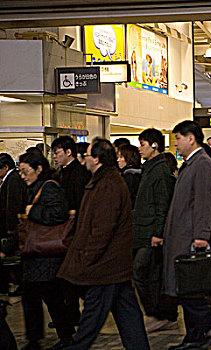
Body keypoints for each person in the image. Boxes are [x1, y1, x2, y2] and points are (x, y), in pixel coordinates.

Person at [57, 138, 150, 350]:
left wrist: (88, 256)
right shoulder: (105, 181)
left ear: (97, 159)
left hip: (105, 265)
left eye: (88, 155)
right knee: (127, 313)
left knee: (92, 317)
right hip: (113, 264)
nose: (85, 159)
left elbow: (102, 228)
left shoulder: (107, 184)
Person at [164, 121, 211, 350]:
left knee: (187, 288)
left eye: (178, 138)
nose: (176, 143)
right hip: (182, 235)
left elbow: (204, 202)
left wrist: (201, 235)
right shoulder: (191, 164)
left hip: (190, 237)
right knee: (187, 288)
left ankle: (209, 323)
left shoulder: (202, 164)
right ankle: (194, 337)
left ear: (191, 138)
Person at [18, 152, 75, 350]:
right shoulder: (35, 188)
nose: (23, 176)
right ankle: (52, 337)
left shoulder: (49, 187)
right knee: (43, 297)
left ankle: (61, 337)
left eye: (26, 172)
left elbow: (59, 213)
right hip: (39, 255)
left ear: (39, 169)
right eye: (21, 172)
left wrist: (32, 211)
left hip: (47, 255)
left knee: (49, 298)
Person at [133, 128, 177, 332]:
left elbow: (162, 205)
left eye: (142, 144)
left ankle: (161, 314)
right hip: (144, 231)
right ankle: (160, 315)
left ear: (154, 145)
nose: (139, 148)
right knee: (147, 275)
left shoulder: (159, 171)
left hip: (151, 233)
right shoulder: (149, 169)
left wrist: (158, 233)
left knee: (144, 273)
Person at [50, 136, 91, 329]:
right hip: (68, 232)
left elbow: (79, 203)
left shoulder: (77, 174)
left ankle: (75, 314)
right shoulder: (63, 173)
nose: (54, 157)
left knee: (72, 278)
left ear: (68, 152)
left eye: (57, 152)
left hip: (73, 233)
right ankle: (72, 314)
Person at [0, 153, 26, 295]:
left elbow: (12, 205)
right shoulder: (9, 179)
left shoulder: (13, 180)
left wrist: (10, 228)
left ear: (5, 167)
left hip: (11, 228)